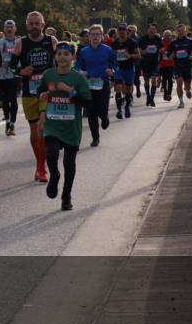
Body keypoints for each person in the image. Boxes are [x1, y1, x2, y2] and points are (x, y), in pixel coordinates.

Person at [38, 43, 92, 211]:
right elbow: (39, 93)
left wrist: (70, 90)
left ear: (73, 58)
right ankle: (54, 175)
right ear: (55, 57)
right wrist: (43, 98)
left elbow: (87, 101)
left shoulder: (78, 78)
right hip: (52, 123)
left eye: (66, 54)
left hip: (71, 126)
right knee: (51, 153)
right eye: (59, 53)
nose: (62, 57)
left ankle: (66, 195)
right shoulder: (48, 75)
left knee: (69, 163)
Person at [12, 11, 56, 182]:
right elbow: (10, 67)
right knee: (34, 130)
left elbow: (61, 62)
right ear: (26, 25)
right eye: (31, 23)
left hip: (47, 91)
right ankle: (40, 164)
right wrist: (21, 71)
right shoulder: (20, 43)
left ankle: (42, 168)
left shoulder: (51, 41)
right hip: (29, 91)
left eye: (37, 23)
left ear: (43, 25)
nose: (34, 26)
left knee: (42, 128)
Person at [76, 24, 117, 147]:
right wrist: (81, 72)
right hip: (89, 83)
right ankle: (95, 138)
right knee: (91, 111)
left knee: (102, 108)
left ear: (102, 36)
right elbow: (77, 66)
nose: (94, 36)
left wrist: (112, 71)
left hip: (103, 82)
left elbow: (115, 65)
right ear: (89, 37)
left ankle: (104, 117)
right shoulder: (83, 51)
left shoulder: (108, 50)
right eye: (92, 34)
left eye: (97, 34)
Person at [0, 19, 21, 136]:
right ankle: (7, 121)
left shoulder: (19, 42)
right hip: (1, 76)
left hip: (15, 75)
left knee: (13, 99)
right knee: (4, 101)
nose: (9, 29)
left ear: (15, 29)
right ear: (4, 29)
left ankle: (12, 124)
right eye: (7, 27)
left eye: (11, 27)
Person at [110, 23, 140, 119]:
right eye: (120, 30)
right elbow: (112, 56)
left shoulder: (132, 42)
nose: (122, 32)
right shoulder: (114, 44)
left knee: (128, 90)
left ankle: (127, 107)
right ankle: (119, 110)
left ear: (127, 31)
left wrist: (130, 56)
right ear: (117, 32)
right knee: (118, 88)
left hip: (129, 68)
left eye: (123, 30)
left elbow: (138, 55)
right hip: (119, 68)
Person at [170, 24, 192, 108]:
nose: (180, 32)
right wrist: (171, 55)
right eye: (179, 31)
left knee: (187, 85)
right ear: (176, 32)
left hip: (187, 66)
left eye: (182, 30)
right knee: (179, 82)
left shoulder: (190, 42)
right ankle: (181, 102)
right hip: (177, 66)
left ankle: (187, 89)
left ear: (185, 31)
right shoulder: (173, 43)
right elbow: (169, 54)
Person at [138, 22, 164, 107]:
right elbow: (138, 49)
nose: (152, 30)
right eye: (151, 29)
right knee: (146, 81)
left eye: (154, 29)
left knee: (153, 79)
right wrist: (142, 51)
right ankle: (148, 96)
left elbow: (162, 47)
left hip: (154, 63)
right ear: (148, 29)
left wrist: (161, 50)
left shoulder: (158, 38)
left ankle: (152, 99)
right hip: (145, 63)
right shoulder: (142, 39)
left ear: (156, 30)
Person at [159, 29, 175, 101]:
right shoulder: (161, 43)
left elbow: (175, 51)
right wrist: (160, 51)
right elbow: (158, 51)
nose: (167, 37)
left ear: (170, 36)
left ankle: (169, 94)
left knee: (170, 79)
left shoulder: (173, 43)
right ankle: (165, 92)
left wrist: (172, 54)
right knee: (164, 79)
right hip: (162, 64)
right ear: (164, 36)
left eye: (169, 35)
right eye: (166, 35)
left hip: (171, 63)